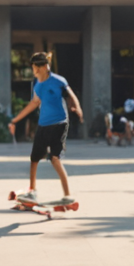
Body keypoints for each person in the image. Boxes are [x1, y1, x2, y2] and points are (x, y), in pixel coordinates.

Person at [8, 51, 82, 201]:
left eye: (34, 68)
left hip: (59, 124)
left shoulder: (58, 80)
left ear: (41, 68)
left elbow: (72, 95)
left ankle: (67, 195)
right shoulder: (38, 85)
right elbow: (34, 103)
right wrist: (16, 120)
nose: (33, 72)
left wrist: (77, 107)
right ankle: (32, 190)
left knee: (55, 158)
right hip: (43, 126)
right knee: (34, 158)